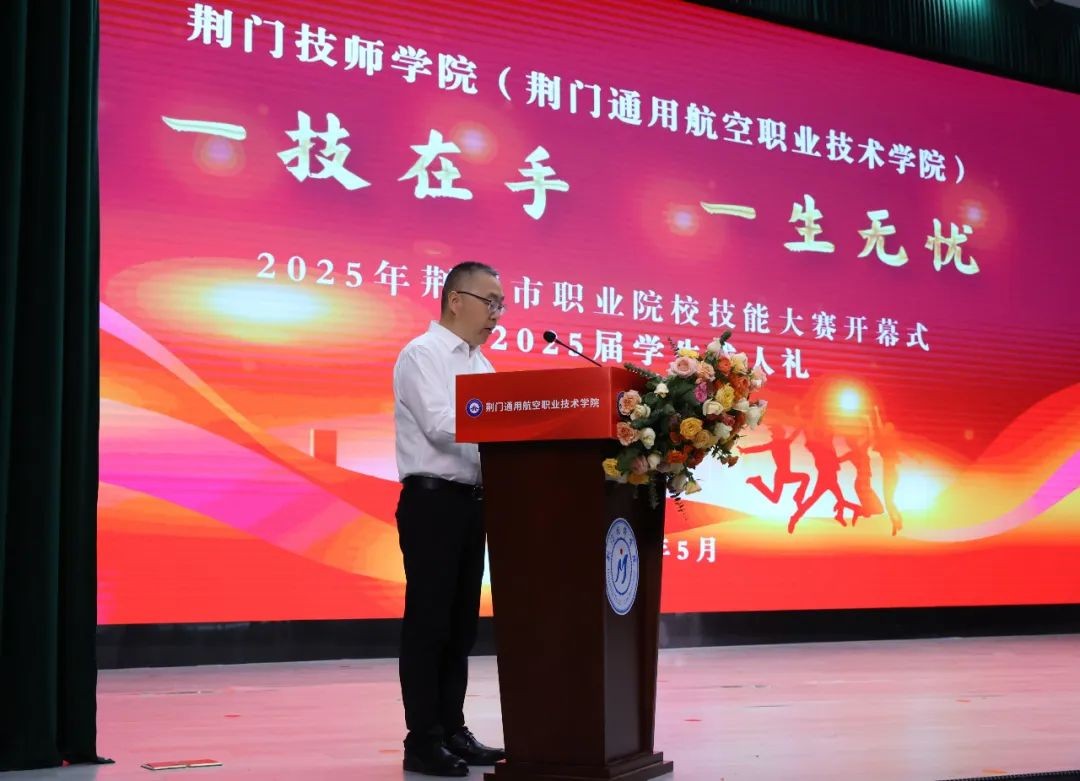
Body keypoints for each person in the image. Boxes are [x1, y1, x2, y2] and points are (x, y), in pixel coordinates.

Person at [392, 261, 507, 777]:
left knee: (460, 626)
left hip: (472, 503)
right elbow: (440, 424)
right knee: (430, 622)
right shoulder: (423, 354)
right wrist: (504, 423)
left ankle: (453, 730)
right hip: (433, 503)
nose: (496, 314)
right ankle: (423, 739)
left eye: (501, 305)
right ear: (456, 300)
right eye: (490, 302)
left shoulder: (482, 365)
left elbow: (498, 432)